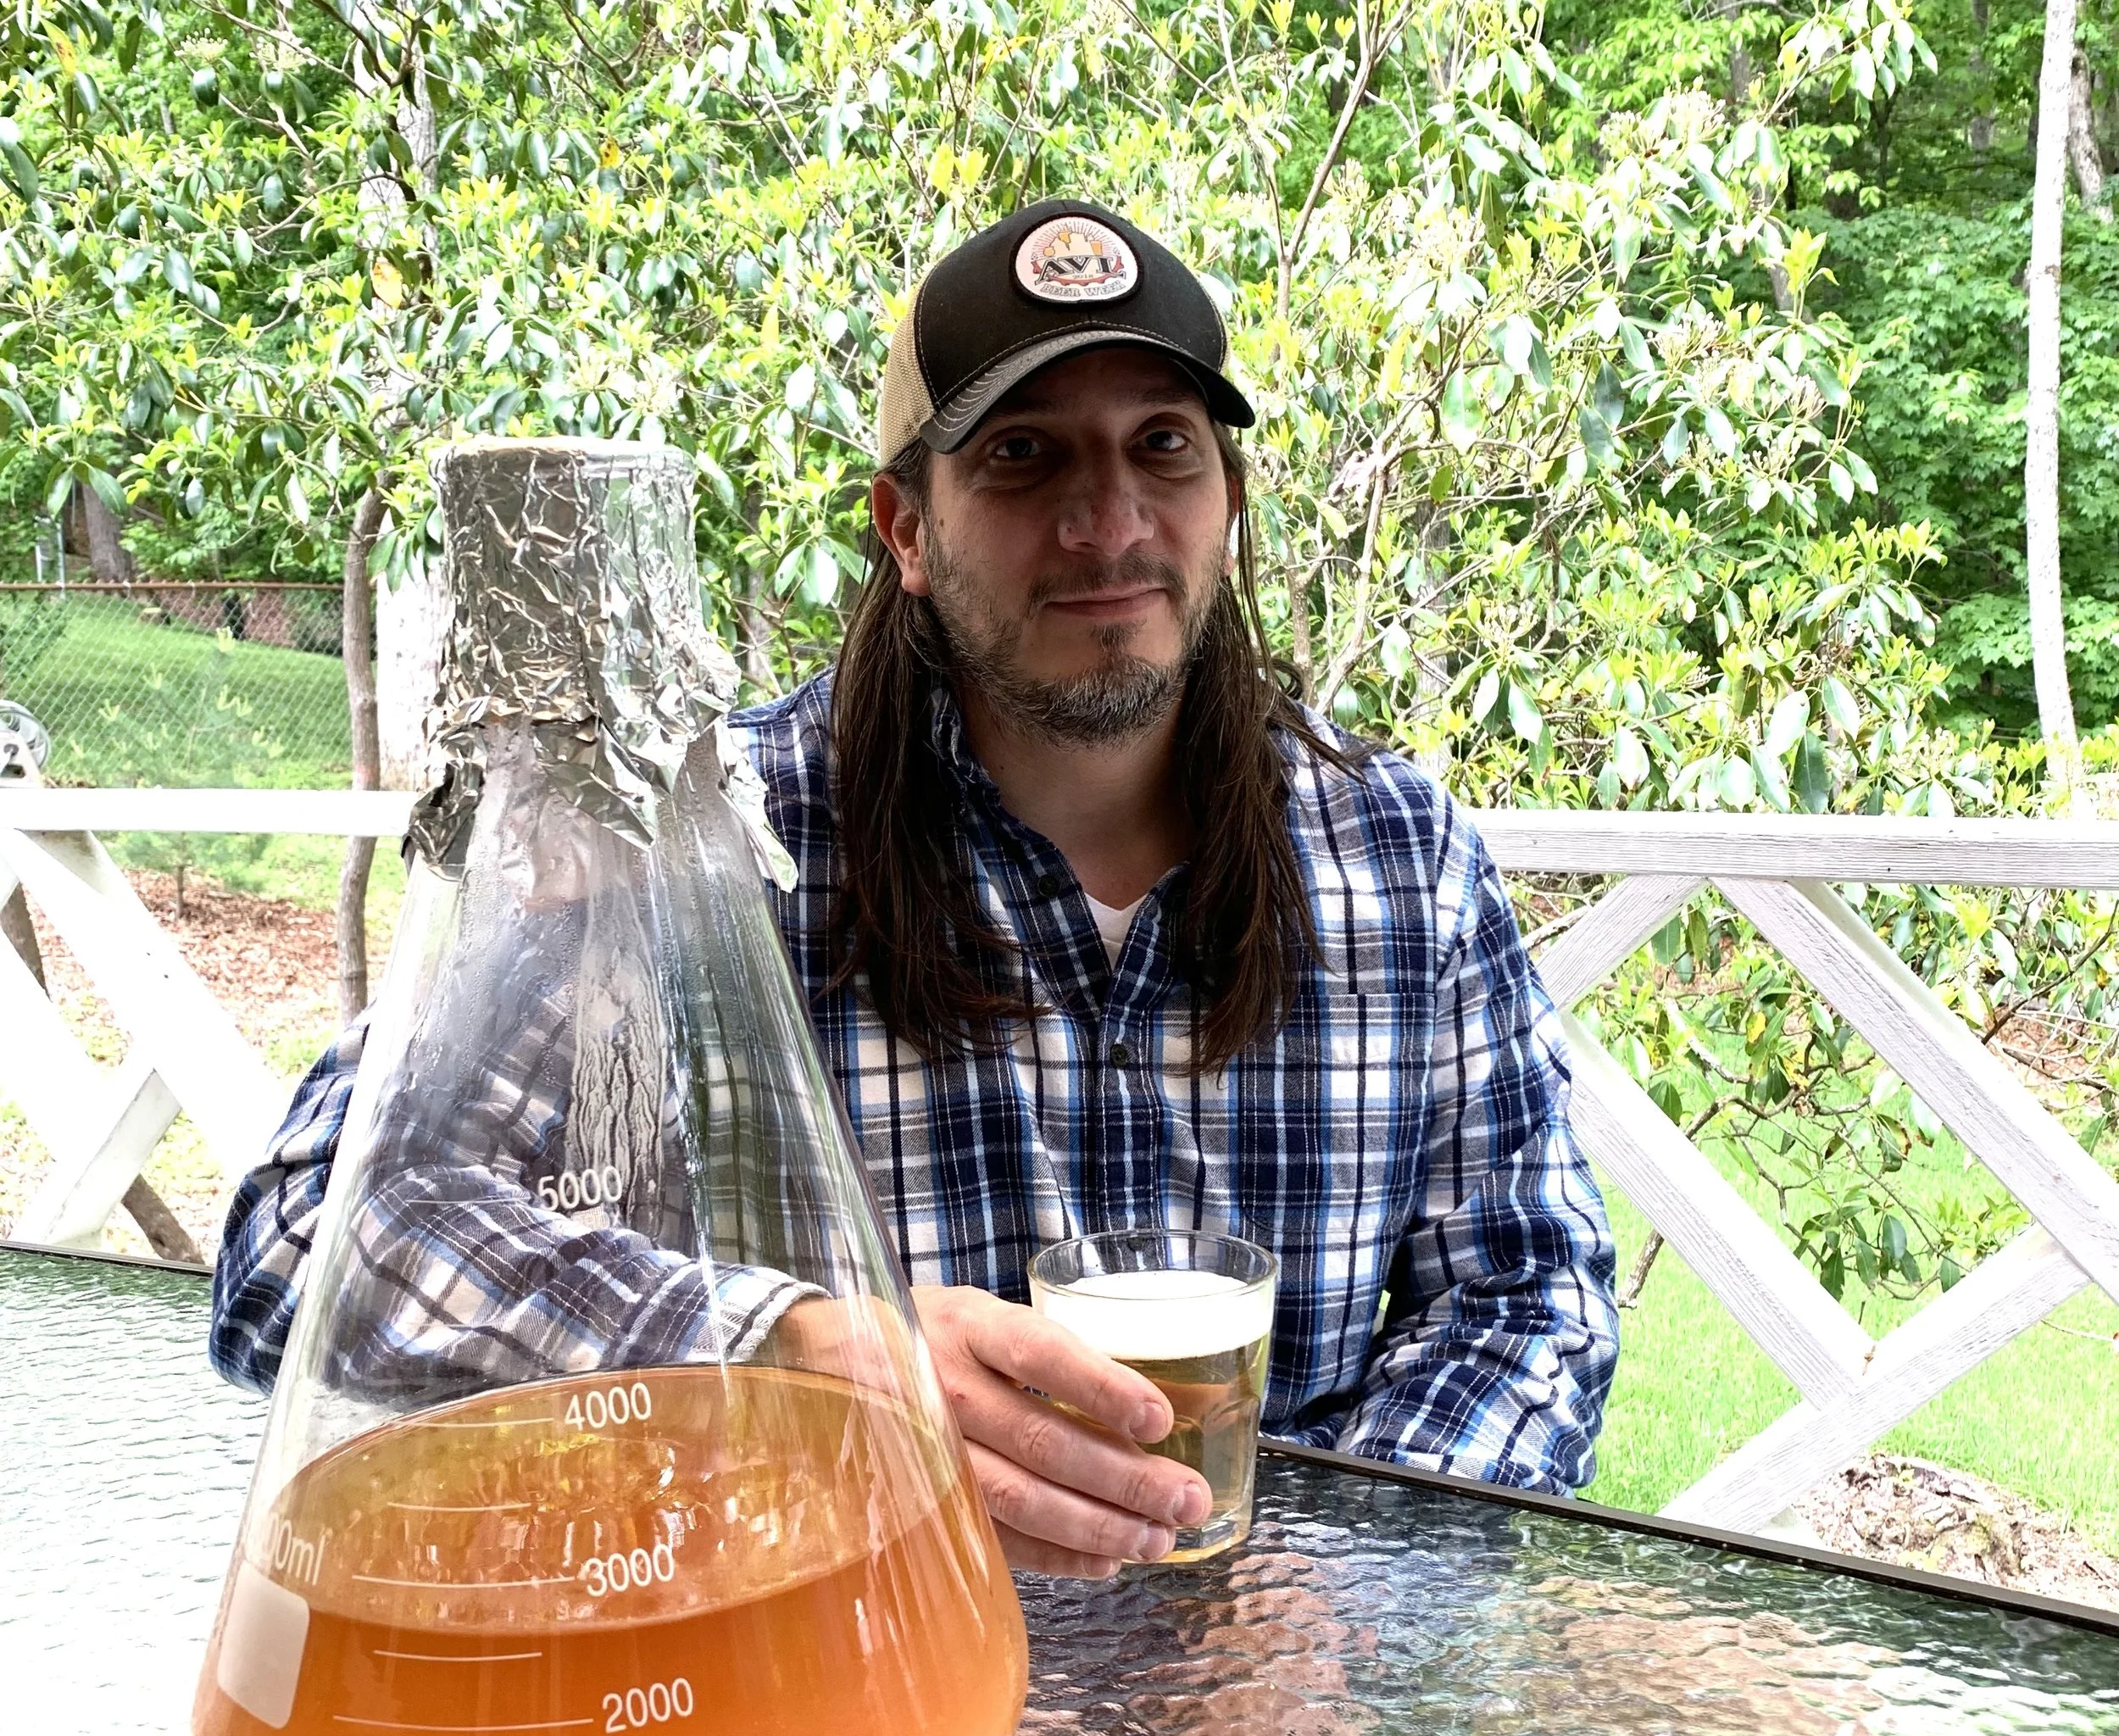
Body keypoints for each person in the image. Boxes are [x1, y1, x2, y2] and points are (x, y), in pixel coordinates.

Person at [211, 199, 1618, 1578]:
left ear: (1228, 502)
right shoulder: (702, 843)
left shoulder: (1397, 856)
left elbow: (1530, 1295)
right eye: (1022, 455)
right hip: (843, 1665)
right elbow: (297, 1251)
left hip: (1277, 1710)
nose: (1109, 520)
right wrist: (795, 1359)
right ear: (904, 527)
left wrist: (1327, 1613)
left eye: (1164, 447)